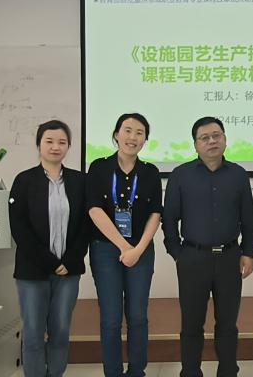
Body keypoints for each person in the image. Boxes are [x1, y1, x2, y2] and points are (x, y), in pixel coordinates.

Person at [162, 116, 253, 377]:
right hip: (193, 258)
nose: (212, 141)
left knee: (227, 324)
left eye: (217, 135)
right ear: (195, 145)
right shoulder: (181, 175)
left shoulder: (238, 174)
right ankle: (190, 372)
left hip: (230, 258)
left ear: (225, 139)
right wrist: (177, 253)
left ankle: (228, 371)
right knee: (191, 324)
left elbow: (248, 218)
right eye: (204, 138)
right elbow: (169, 219)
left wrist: (248, 252)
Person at [8, 119, 90, 377]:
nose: (56, 147)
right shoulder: (24, 180)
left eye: (62, 142)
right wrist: (51, 262)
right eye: (49, 141)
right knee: (33, 333)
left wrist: (71, 260)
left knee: (60, 331)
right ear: (39, 144)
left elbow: (86, 224)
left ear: (69, 147)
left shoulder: (80, 181)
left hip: (68, 271)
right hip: (32, 272)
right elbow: (19, 228)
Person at [86, 113, 163, 377]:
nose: (133, 137)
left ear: (145, 139)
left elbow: (156, 213)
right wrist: (123, 247)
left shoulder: (150, 172)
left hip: (141, 249)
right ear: (116, 134)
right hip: (105, 249)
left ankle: (137, 371)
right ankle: (113, 372)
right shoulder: (99, 168)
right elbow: (94, 209)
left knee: (138, 316)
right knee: (110, 318)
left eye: (139, 133)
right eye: (128, 130)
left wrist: (137, 249)